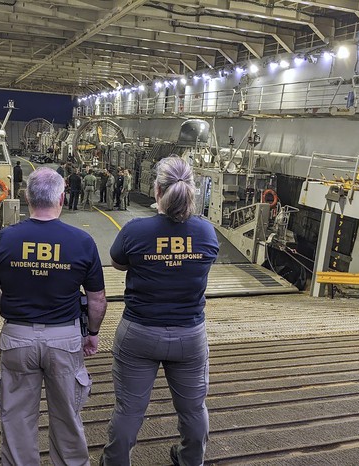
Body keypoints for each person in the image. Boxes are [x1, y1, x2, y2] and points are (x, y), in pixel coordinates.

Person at [0, 167, 107, 466]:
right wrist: (92, 333)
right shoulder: (82, 240)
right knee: (67, 417)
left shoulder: (5, 239)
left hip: (17, 339)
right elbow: (97, 299)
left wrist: (10, 310)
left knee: (17, 420)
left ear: (26, 197)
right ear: (61, 198)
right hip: (64, 339)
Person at [100, 156, 219, 466]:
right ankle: (190, 459)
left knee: (128, 410)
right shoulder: (206, 233)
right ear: (192, 190)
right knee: (193, 409)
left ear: (157, 191)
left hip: (139, 332)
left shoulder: (135, 230)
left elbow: (118, 263)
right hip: (189, 335)